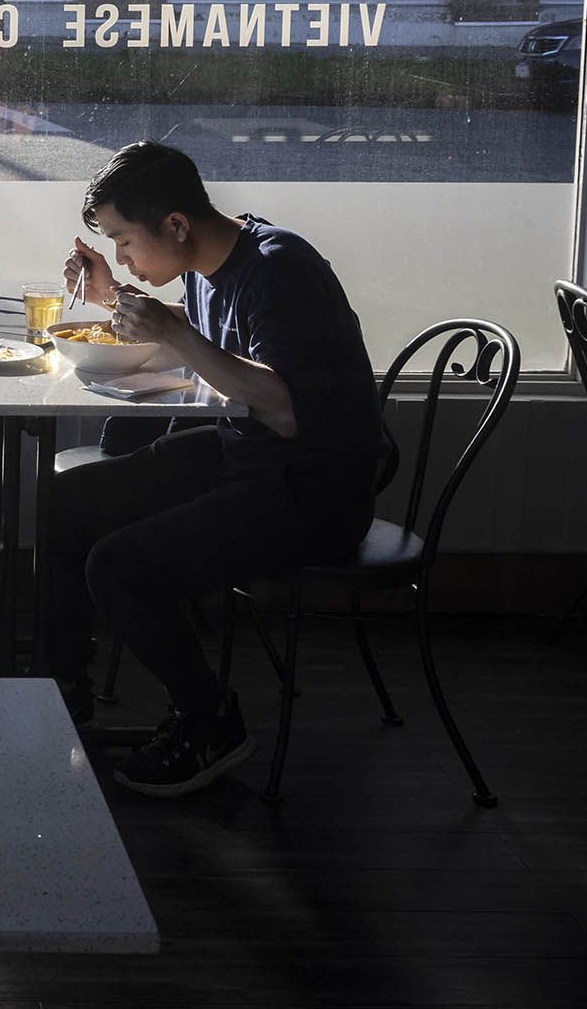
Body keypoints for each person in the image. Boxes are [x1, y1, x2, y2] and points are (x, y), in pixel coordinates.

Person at [52, 141, 387, 799]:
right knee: (64, 505)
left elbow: (286, 408)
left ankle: (209, 721)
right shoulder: (212, 264)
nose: (122, 255)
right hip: (248, 454)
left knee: (118, 566)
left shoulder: (279, 267)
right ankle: (65, 695)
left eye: (124, 240)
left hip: (313, 490)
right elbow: (209, 334)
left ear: (175, 225)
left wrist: (171, 334)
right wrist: (111, 296)